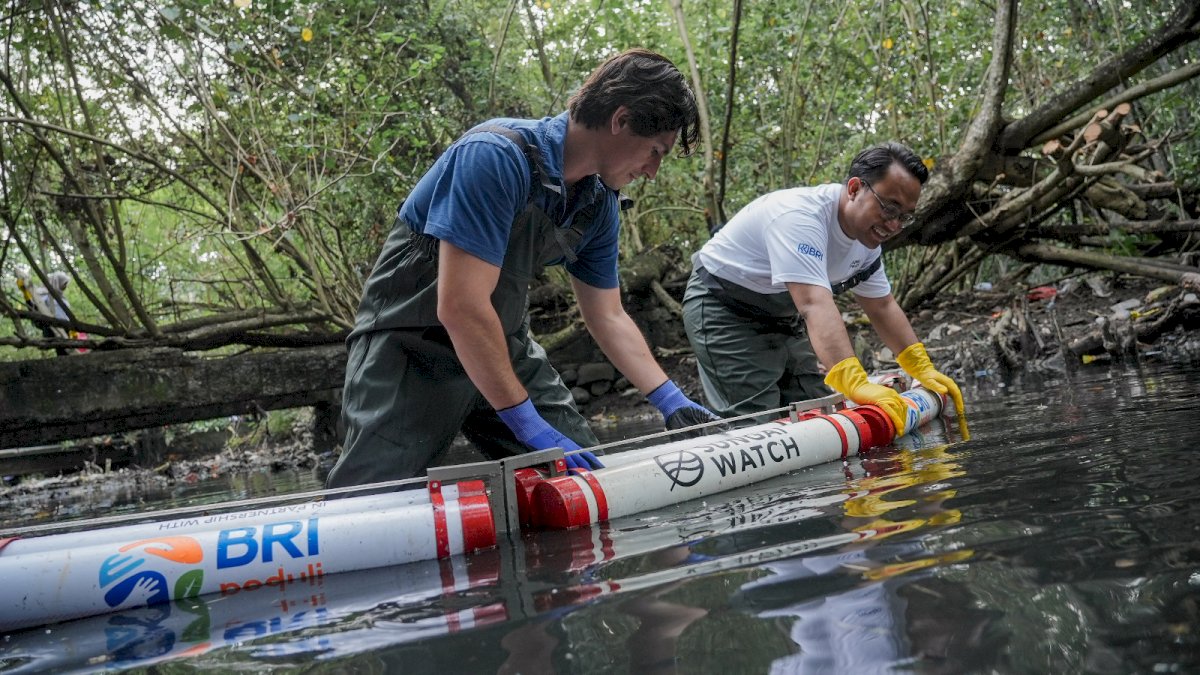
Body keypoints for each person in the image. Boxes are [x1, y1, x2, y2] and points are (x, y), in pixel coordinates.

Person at [327, 48, 720, 488]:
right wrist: (527, 425)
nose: (652, 171)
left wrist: (671, 401)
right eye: (654, 151)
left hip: (504, 346)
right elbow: (460, 308)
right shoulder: (494, 156)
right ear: (621, 120)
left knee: (589, 484)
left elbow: (607, 315)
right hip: (410, 348)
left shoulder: (598, 205)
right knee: (370, 501)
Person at [681, 142, 964, 435]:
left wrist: (922, 368)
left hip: (781, 316)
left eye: (905, 216)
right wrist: (855, 382)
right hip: (722, 306)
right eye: (889, 208)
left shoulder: (867, 241)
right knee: (758, 424)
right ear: (854, 188)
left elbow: (882, 306)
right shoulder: (800, 217)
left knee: (816, 409)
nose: (893, 225)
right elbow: (814, 304)